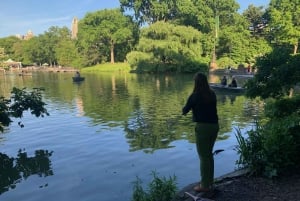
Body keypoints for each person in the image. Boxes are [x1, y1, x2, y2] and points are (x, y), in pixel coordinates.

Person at [182, 72, 219, 192]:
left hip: (203, 127)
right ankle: (209, 182)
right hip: (214, 126)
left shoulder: (195, 96)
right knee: (209, 155)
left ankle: (204, 186)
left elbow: (185, 110)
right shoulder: (212, 94)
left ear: (196, 83)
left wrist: (188, 107)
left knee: (203, 156)